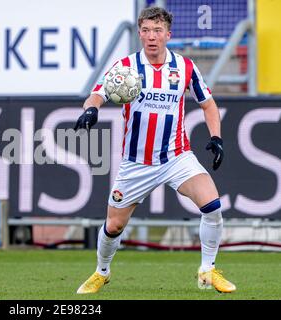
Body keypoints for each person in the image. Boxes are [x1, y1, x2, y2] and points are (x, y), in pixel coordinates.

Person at [74, 6, 236, 294]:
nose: (151, 37)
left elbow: (208, 104)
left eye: (157, 31)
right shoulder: (125, 67)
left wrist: (217, 137)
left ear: (168, 35)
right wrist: (90, 111)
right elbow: (96, 94)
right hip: (136, 162)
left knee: (212, 206)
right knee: (113, 226)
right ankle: (102, 272)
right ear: (139, 33)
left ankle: (207, 270)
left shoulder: (185, 67)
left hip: (176, 156)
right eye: (146, 30)